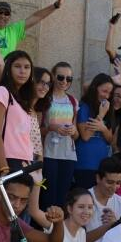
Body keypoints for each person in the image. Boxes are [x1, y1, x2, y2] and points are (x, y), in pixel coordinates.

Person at [0, 50, 36, 174]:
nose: (23, 71)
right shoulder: (1, 91)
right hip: (6, 160)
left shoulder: (23, 99)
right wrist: (3, 167)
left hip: (25, 161)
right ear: (8, 69)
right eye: (17, 66)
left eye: (27, 67)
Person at [41, 62, 79, 209]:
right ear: (53, 77)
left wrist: (73, 131)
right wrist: (53, 128)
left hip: (68, 154)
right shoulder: (45, 98)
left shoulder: (72, 101)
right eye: (60, 77)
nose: (64, 82)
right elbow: (36, 129)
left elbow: (76, 135)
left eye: (69, 79)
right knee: (47, 196)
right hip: (48, 152)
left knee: (62, 198)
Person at [75, 73, 115, 189]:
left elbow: (110, 140)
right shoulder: (84, 107)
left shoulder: (108, 109)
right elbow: (85, 136)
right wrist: (100, 115)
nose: (106, 96)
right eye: (104, 91)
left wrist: (103, 128)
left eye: (109, 93)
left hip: (101, 164)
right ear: (95, 88)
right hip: (85, 162)